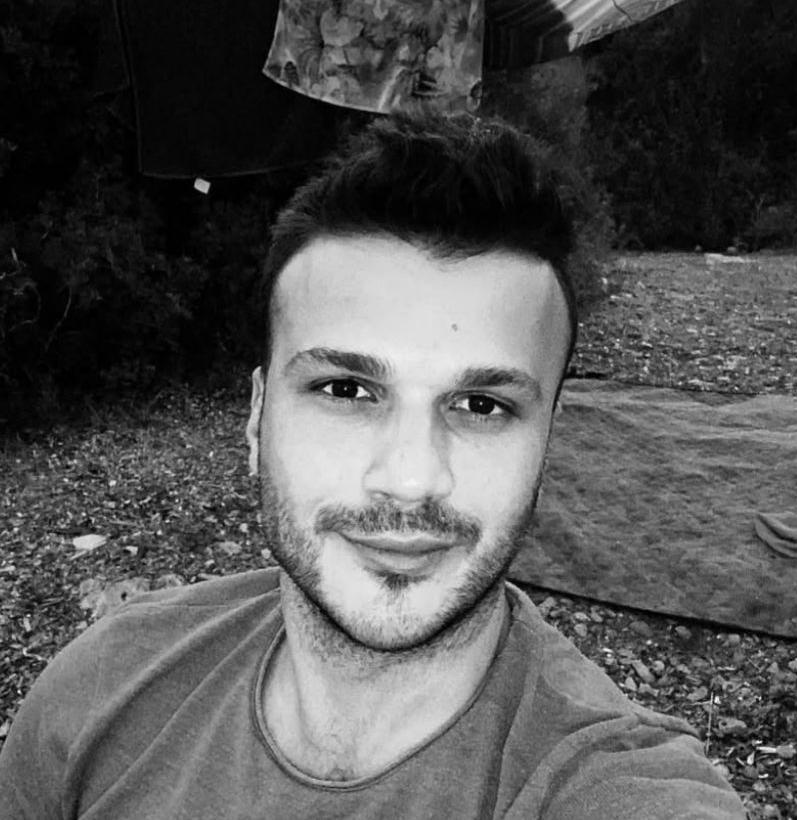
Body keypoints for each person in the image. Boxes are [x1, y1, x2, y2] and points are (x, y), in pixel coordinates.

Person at [0, 113, 745, 819]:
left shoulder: (613, 783)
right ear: (257, 418)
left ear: (547, 442)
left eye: (481, 405)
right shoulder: (100, 692)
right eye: (346, 391)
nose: (410, 478)